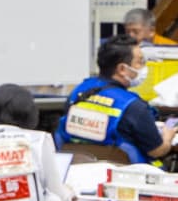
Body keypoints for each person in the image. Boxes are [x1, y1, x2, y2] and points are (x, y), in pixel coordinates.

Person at [55, 36, 176, 165]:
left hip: (77, 170)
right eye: (140, 62)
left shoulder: (78, 91)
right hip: (124, 178)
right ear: (122, 69)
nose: (144, 67)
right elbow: (156, 151)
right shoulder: (134, 106)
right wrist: (168, 137)